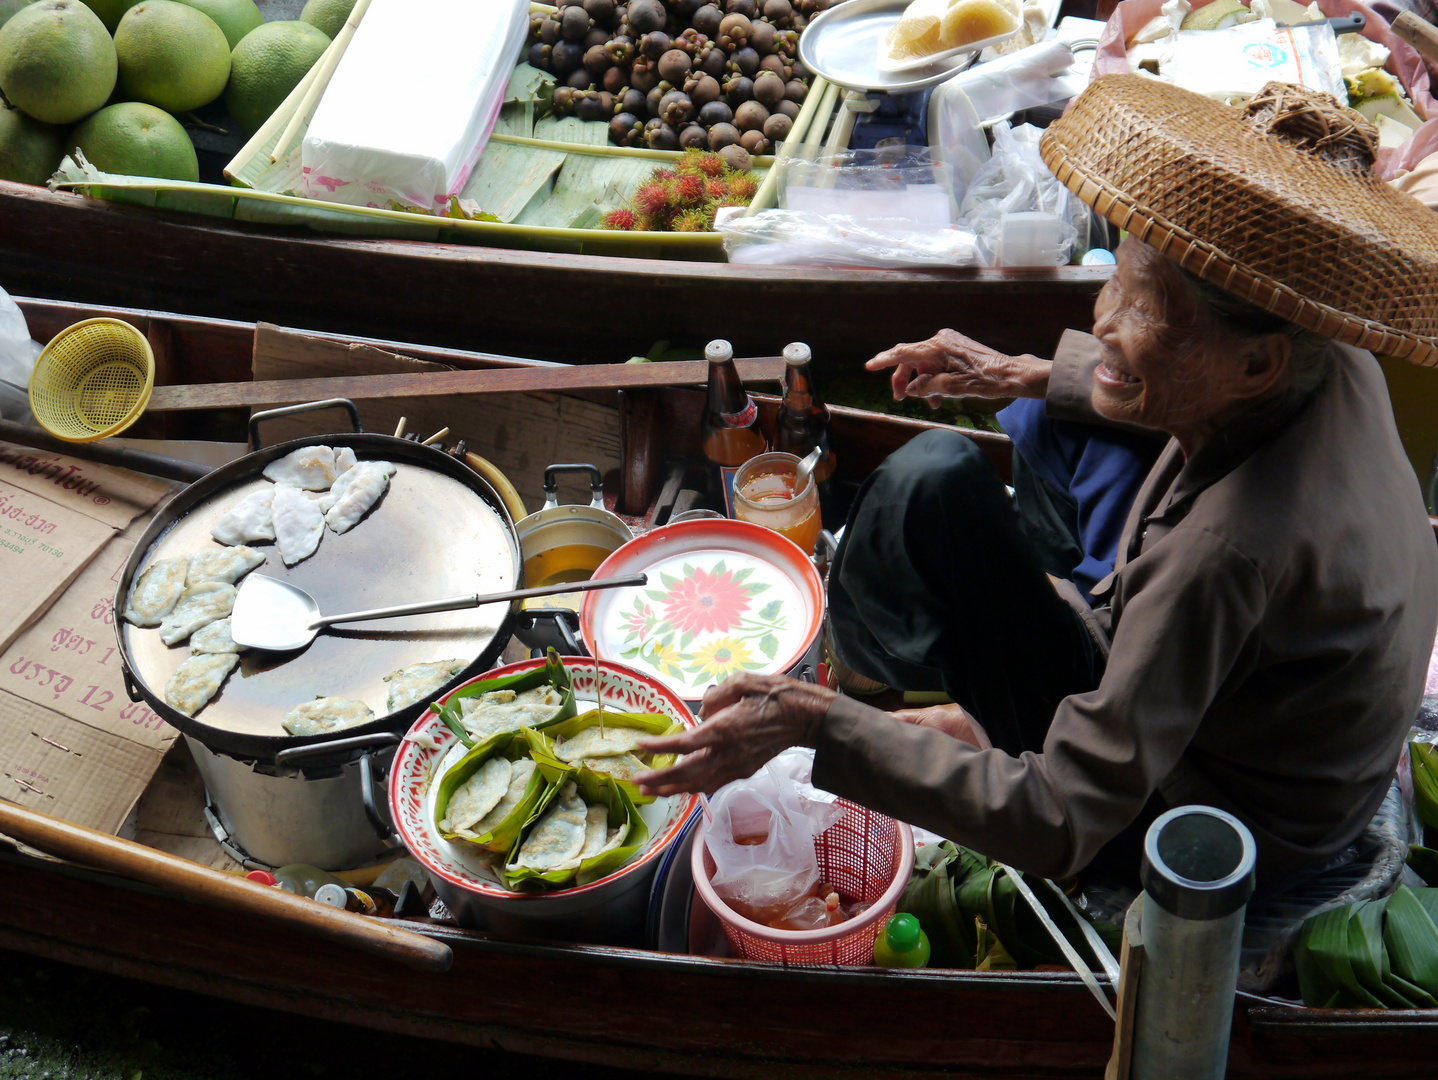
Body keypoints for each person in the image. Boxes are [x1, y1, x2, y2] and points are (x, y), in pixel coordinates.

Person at [639, 77, 1438, 893]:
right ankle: (900, 686)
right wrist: (1020, 372)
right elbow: (1206, 384)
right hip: (1234, 727)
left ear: (1257, 360)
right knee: (940, 480)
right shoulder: (1331, 359)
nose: (1103, 318)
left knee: (936, 495)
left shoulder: (1223, 555)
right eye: (1118, 277)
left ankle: (871, 689)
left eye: (1147, 307)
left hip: (1209, 821)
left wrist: (818, 724)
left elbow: (1062, 818)